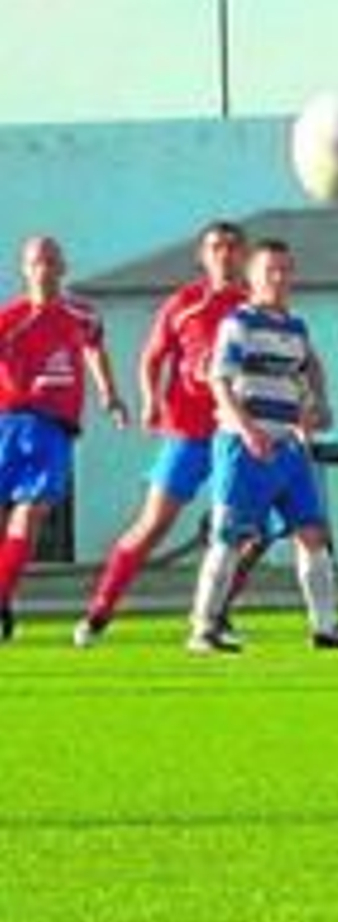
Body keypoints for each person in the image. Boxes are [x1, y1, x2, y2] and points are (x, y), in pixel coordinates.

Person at [186, 239, 338, 654]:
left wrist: (316, 405)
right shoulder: (239, 323)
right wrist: (247, 429)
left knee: (312, 533)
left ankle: (325, 626)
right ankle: (203, 627)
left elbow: (310, 368)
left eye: (286, 270)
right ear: (251, 277)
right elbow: (219, 382)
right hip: (244, 446)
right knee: (229, 537)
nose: (279, 278)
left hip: (287, 446)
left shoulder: (294, 328)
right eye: (270, 270)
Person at [75, 221, 254, 647]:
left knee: (252, 530)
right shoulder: (185, 304)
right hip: (190, 430)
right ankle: (99, 612)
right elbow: (152, 358)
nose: (225, 254)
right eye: (216, 247)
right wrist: (150, 400)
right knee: (153, 523)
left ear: (245, 254)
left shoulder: (255, 307)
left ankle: (214, 613)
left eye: (232, 246)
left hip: (240, 433)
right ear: (203, 256)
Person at [0, 236, 128, 640]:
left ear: (63, 267)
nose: (45, 270)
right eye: (37, 262)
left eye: (52, 261)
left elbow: (94, 348)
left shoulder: (81, 315)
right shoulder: (10, 319)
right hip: (8, 422)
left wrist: (109, 394)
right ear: (25, 269)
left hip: (53, 427)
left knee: (32, 512)